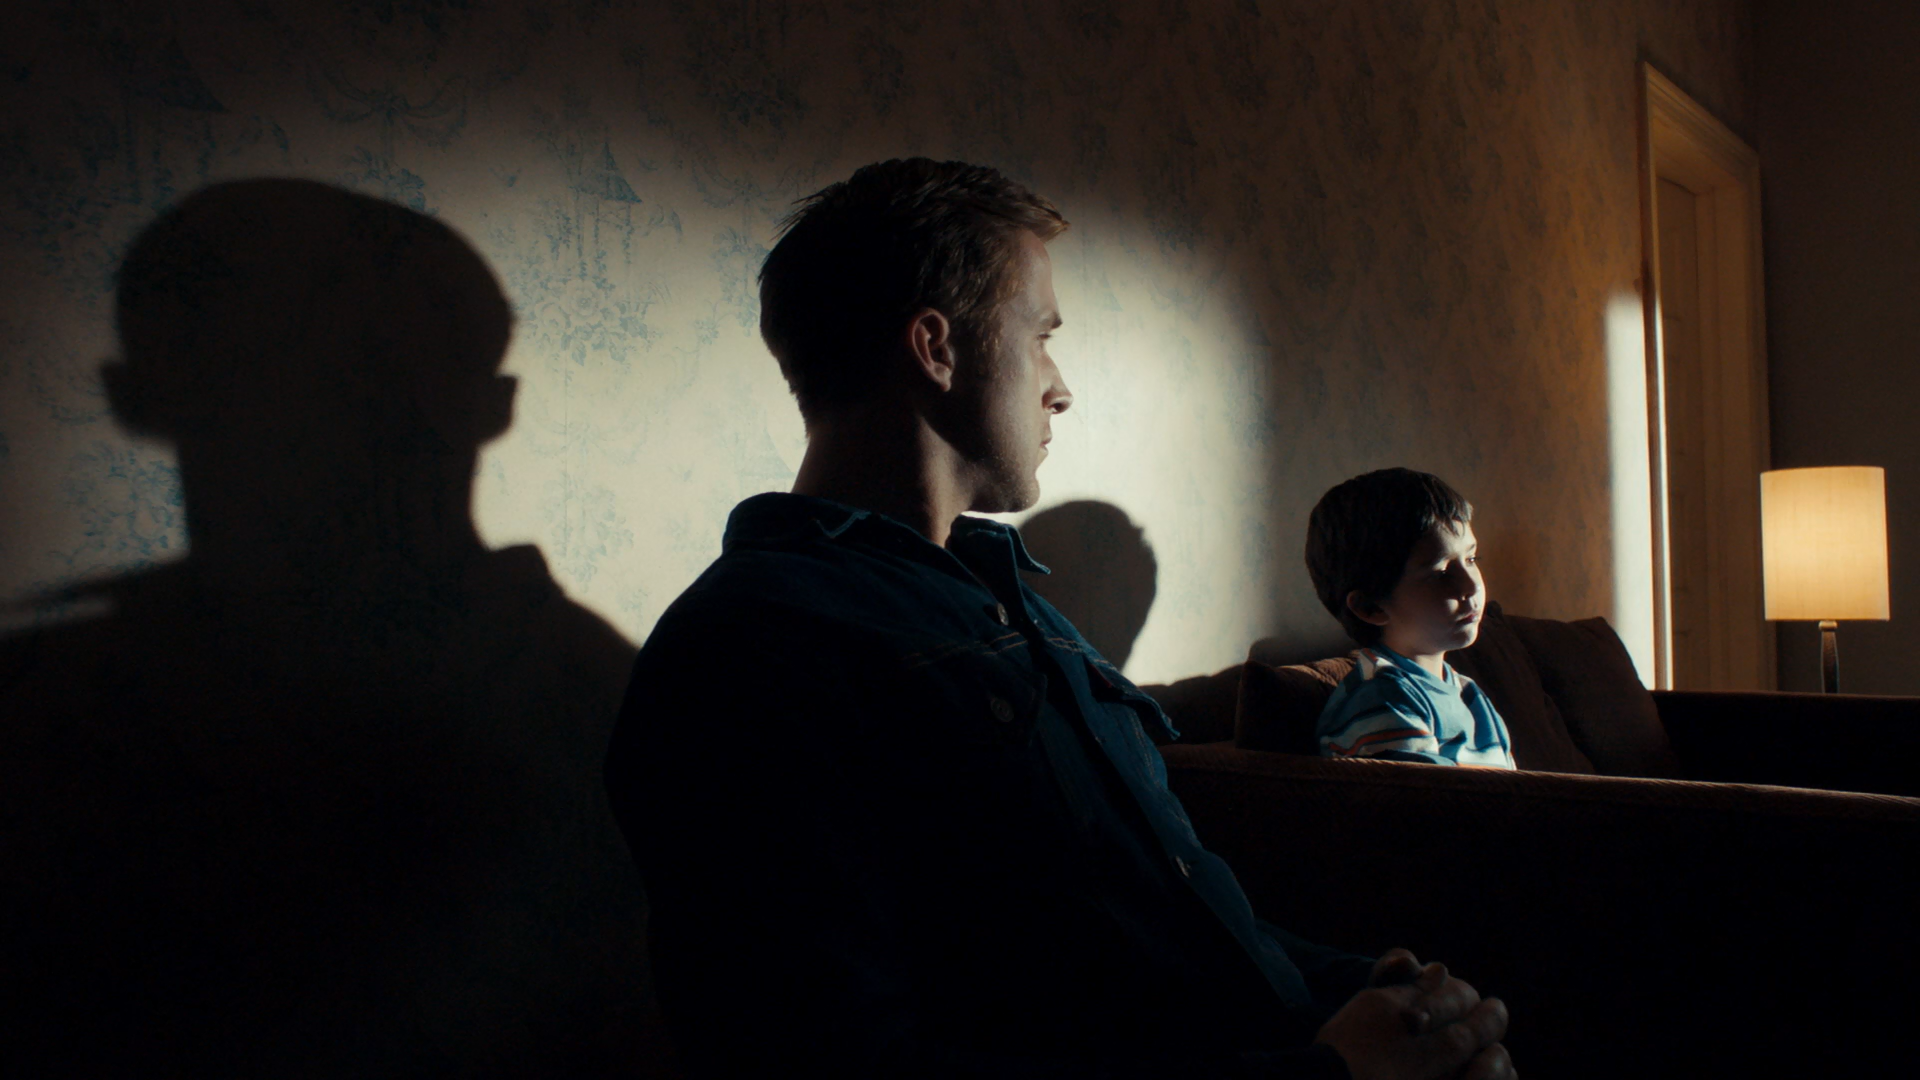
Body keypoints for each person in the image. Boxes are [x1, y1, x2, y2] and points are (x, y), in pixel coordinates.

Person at [604, 159, 1514, 1078]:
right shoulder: (751, 648)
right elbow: (830, 1056)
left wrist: (1362, 989)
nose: (1061, 387)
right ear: (935, 348)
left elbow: (1171, 914)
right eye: (1040, 336)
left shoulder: (1010, 602)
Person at [1304, 469, 1516, 769]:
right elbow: (1423, 798)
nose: (1472, 586)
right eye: (1441, 572)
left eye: (1471, 559)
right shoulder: (1383, 701)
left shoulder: (1467, 692)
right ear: (1370, 608)